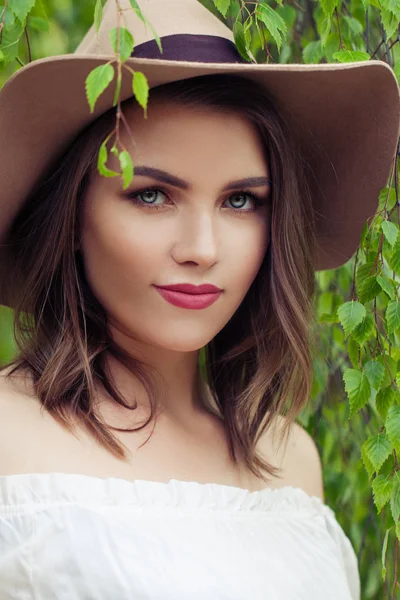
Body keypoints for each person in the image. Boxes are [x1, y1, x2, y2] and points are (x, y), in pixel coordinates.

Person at [0, 0, 398, 598]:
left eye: (240, 201)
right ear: (73, 215)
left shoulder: (290, 460)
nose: (202, 249)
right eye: (153, 196)